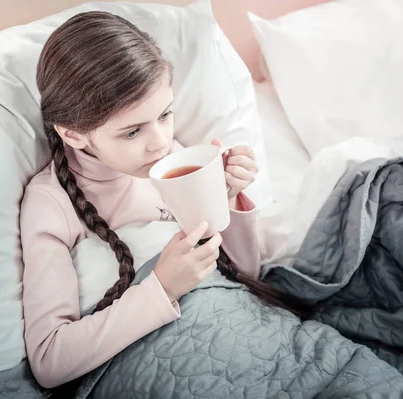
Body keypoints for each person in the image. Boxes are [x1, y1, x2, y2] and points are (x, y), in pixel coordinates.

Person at [20, 11, 309, 389]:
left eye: (165, 115)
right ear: (74, 135)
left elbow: (245, 275)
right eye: (131, 132)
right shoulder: (50, 203)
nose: (159, 141)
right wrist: (163, 286)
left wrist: (229, 197)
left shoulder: (172, 159)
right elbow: (49, 360)